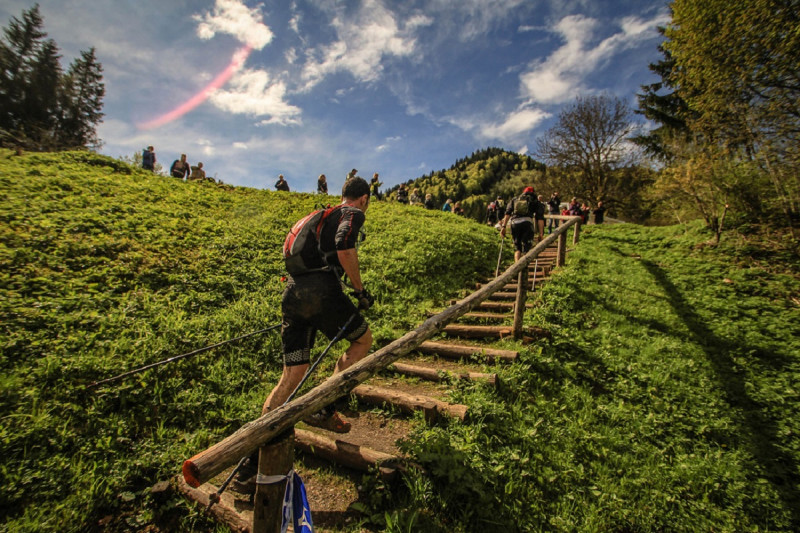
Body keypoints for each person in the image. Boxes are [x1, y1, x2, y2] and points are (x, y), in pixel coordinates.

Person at [232, 177, 374, 494]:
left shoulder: (319, 214)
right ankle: (326, 405)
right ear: (363, 198)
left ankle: (249, 466)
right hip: (321, 291)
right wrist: (360, 290)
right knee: (363, 340)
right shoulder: (352, 213)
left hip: (293, 294)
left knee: (291, 376)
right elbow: (345, 245)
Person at [499, 186, 544, 262]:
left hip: (515, 223)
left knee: (517, 248)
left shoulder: (515, 199)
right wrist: (541, 233)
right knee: (526, 247)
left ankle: (517, 268)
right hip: (527, 223)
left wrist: (504, 226)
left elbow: (508, 213)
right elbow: (540, 218)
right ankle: (524, 269)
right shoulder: (535, 201)